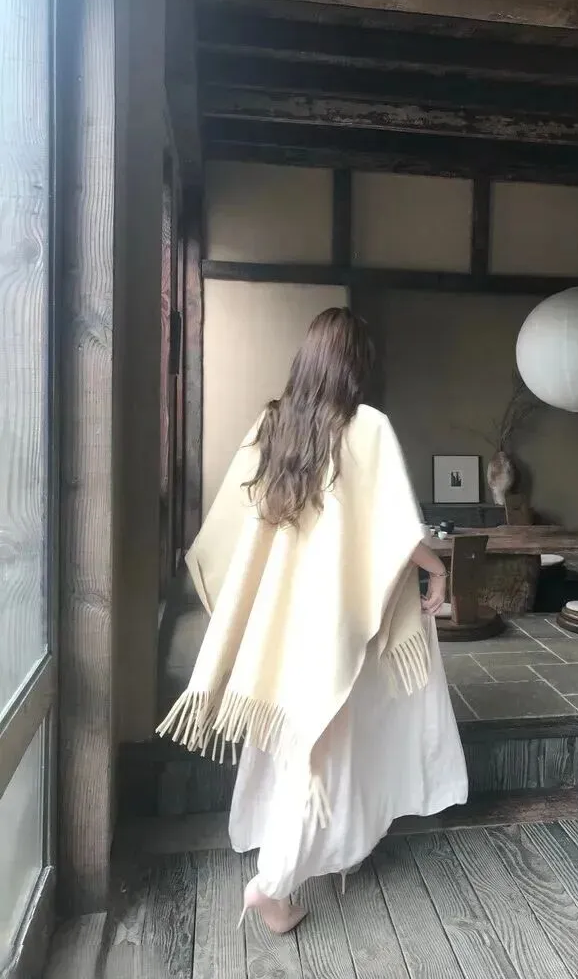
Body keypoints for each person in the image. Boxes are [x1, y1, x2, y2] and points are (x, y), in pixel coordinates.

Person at [157, 308, 468, 934]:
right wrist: (438, 569)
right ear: (357, 365)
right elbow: (397, 528)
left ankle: (312, 847)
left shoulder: (273, 424)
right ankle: (273, 884)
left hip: (279, 619)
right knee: (328, 744)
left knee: (292, 738)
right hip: (335, 617)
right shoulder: (367, 426)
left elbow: (234, 523)